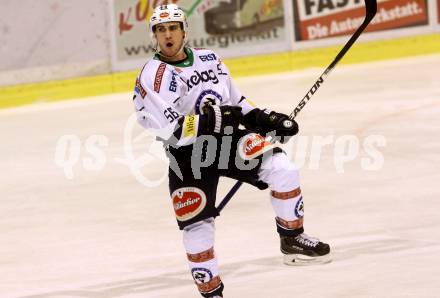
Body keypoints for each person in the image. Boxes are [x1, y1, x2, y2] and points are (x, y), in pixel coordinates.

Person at [132, 4, 330, 297]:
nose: (167, 35)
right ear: (154, 36)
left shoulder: (209, 58)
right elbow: (168, 130)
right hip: (188, 157)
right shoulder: (153, 76)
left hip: (226, 142)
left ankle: (292, 238)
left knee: (282, 169)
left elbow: (236, 102)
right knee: (198, 226)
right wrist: (209, 120)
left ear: (184, 31)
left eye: (173, 28)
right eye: (161, 30)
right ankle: (211, 291)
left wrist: (264, 118)